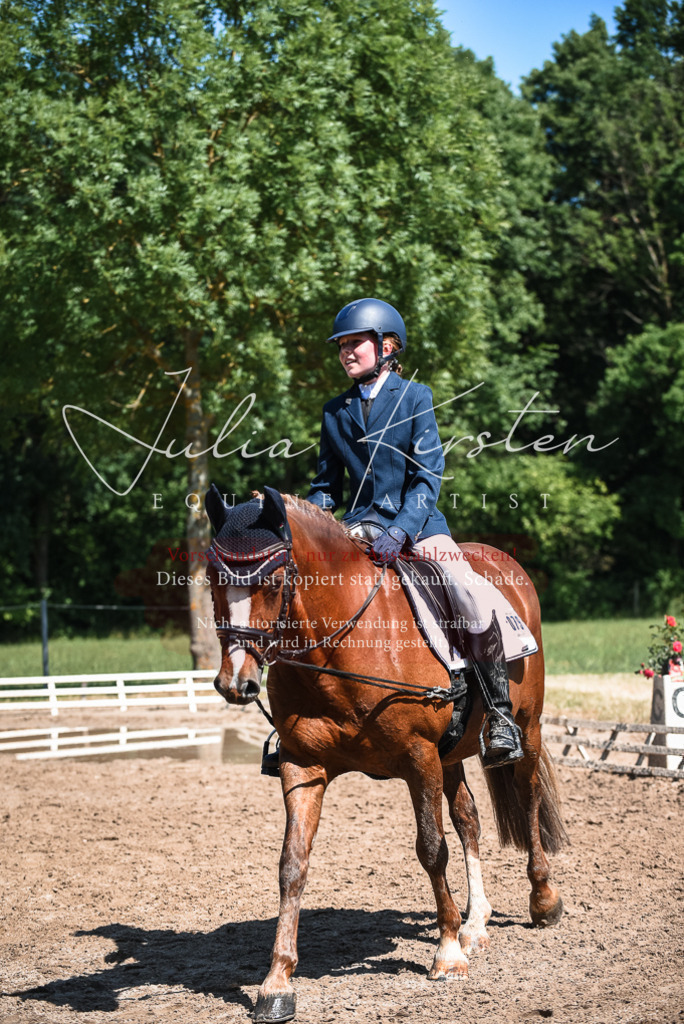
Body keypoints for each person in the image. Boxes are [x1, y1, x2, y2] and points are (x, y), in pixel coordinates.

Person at [303, 297, 526, 769]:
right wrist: (316, 524)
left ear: (386, 346)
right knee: (303, 593)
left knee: (468, 590)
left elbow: (428, 475)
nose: (345, 352)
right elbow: (326, 485)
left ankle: (501, 716)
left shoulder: (415, 397)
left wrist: (402, 530)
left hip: (419, 527)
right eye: (341, 346)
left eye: (354, 343)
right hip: (356, 530)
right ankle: (295, 725)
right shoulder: (334, 411)